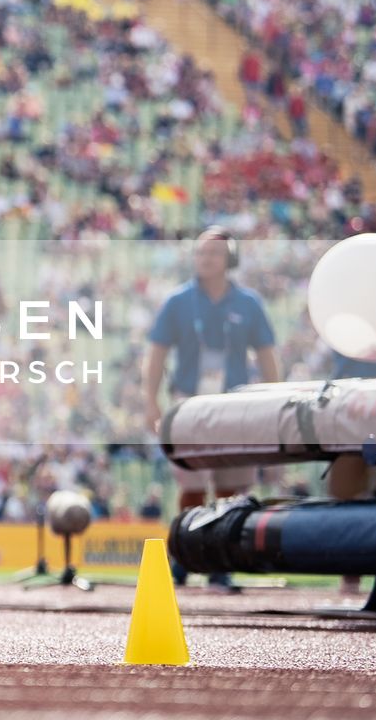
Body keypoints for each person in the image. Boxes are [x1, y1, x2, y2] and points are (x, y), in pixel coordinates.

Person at [143, 226, 280, 589]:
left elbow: (267, 357)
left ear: (229, 259)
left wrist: (273, 400)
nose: (205, 259)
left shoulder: (249, 303)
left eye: (214, 253)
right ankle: (184, 556)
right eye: (201, 253)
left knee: (231, 490)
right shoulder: (177, 301)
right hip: (188, 401)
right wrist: (150, 402)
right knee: (190, 485)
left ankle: (221, 560)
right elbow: (156, 354)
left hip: (235, 403)